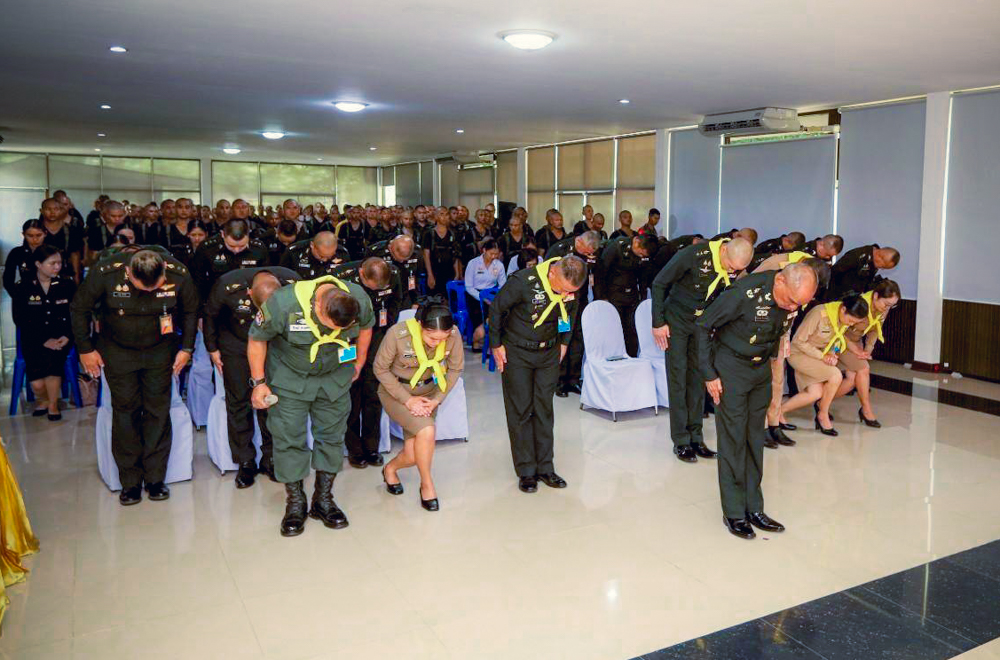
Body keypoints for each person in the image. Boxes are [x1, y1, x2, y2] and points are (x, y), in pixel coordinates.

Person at [696, 262, 818, 539]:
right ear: (780, 282)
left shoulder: (790, 299)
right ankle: (734, 512)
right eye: (791, 301)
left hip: (760, 369)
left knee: (754, 439)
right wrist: (709, 373)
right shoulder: (743, 293)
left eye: (799, 304)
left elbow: (777, 329)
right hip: (731, 369)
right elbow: (703, 325)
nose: (793, 308)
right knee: (733, 440)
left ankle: (754, 508)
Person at [248, 274, 374, 537]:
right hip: (289, 379)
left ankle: (323, 499)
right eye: (331, 326)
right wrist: (259, 383)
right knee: (288, 438)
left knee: (332, 437)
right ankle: (295, 502)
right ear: (318, 307)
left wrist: (360, 361)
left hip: (334, 378)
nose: (335, 332)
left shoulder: (358, 297)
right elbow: (257, 339)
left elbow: (366, 327)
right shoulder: (283, 303)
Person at [71, 250, 199, 505]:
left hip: (159, 350)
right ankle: (129, 482)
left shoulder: (179, 273)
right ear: (128, 273)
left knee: (157, 411)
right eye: (143, 287)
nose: (150, 292)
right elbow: (79, 308)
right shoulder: (105, 273)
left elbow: (191, 311)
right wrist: (86, 349)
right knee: (125, 412)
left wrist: (186, 348)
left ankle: (155, 479)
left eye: (156, 286)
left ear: (164, 271)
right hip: (118, 351)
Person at [489, 255, 587, 493]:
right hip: (517, 352)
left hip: (549, 353)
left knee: (544, 408)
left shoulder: (571, 287)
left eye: (571, 292)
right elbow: (497, 309)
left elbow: (569, 313)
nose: (566, 295)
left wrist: (564, 343)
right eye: (562, 289)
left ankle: (545, 467)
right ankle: (526, 470)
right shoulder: (523, 281)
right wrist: (496, 344)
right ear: (552, 273)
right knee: (521, 409)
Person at [651, 237, 754, 461]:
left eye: (736, 270)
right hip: (677, 321)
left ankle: (696, 437)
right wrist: (658, 322)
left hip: (702, 325)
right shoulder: (693, 255)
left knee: (698, 379)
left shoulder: (733, 266)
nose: (731, 271)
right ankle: (681, 440)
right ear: (724, 250)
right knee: (678, 379)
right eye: (730, 266)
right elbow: (659, 283)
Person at [204, 266, 299, 486]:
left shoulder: (293, 282)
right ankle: (245, 461)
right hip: (236, 343)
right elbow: (210, 315)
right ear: (249, 293)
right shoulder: (226, 285)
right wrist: (212, 348)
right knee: (238, 402)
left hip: (272, 345)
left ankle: (271, 457)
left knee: (271, 401)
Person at [376, 300, 464, 510]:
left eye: (442, 339)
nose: (437, 343)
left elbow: (455, 369)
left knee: (413, 455)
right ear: (420, 326)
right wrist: (407, 400)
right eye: (432, 338)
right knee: (427, 431)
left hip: (428, 396)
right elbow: (380, 369)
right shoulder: (398, 334)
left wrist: (437, 399)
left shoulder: (453, 334)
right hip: (397, 393)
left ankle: (390, 469)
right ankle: (427, 485)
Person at [743, 255, 832, 448]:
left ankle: (774, 423)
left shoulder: (810, 278)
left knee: (777, 381)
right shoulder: (777, 264)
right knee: (760, 383)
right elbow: (746, 288)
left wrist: (786, 337)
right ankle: (760, 426)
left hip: (781, 329)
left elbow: (793, 310)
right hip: (759, 328)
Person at [330, 258, 403, 469]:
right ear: (362, 273)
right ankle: (355, 449)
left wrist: (386, 327)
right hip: (348, 339)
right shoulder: (340, 277)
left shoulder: (393, 273)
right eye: (372, 287)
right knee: (351, 394)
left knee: (373, 394)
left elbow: (396, 301)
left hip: (377, 336)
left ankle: (372, 447)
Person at [783, 293, 870, 436]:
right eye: (851, 320)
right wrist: (822, 356)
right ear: (843, 309)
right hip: (799, 353)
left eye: (854, 323)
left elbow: (837, 341)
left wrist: (833, 354)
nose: (851, 324)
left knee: (815, 393)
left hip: (817, 356)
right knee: (836, 375)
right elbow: (798, 341)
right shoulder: (819, 313)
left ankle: (778, 412)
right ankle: (822, 415)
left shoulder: (842, 319)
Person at [12, 245, 75, 420]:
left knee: (53, 363)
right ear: (38, 264)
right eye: (52, 263)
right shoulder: (23, 286)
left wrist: (67, 336)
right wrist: (43, 340)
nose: (57, 267)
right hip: (33, 338)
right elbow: (20, 318)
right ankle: (44, 399)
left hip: (61, 337)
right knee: (37, 384)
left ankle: (53, 405)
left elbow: (76, 314)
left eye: (59, 263)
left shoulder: (67, 284)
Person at [833, 279, 900, 427]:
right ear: (875, 296)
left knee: (852, 380)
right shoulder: (861, 303)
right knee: (863, 369)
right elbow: (839, 329)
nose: (887, 308)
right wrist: (855, 350)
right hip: (839, 340)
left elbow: (875, 330)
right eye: (886, 304)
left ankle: (821, 403)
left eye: (892, 305)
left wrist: (867, 350)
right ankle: (866, 410)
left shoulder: (883, 310)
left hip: (856, 342)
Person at [545, 231, 601, 396]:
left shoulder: (591, 253)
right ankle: (560, 380)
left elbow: (595, 273)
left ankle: (574, 379)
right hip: (563, 304)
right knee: (563, 336)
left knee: (578, 338)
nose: (588, 255)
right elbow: (548, 274)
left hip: (580, 302)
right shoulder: (560, 249)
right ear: (579, 242)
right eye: (586, 251)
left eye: (591, 253)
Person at [595, 232, 659, 357]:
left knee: (632, 329)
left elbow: (643, 277)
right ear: (636, 242)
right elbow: (601, 273)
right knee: (614, 329)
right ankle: (614, 357)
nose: (641, 257)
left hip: (632, 295)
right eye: (640, 253)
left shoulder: (645, 255)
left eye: (644, 255)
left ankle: (632, 358)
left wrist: (642, 297)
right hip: (614, 294)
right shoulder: (617, 247)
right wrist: (602, 297)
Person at [190, 219, 269, 302]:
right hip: (216, 300)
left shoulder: (258, 249)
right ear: (222, 234)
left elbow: (265, 279)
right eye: (231, 246)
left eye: (242, 246)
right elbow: (198, 282)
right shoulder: (208, 249)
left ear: (248, 235)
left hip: (248, 300)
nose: (236, 250)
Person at [464, 238, 507, 349]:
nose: (493, 257)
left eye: (496, 254)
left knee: (499, 313)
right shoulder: (473, 263)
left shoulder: (499, 265)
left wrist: (495, 297)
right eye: (491, 253)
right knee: (479, 315)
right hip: (474, 295)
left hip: (491, 294)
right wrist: (482, 298)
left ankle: (487, 338)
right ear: (484, 250)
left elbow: (503, 285)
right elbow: (468, 286)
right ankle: (477, 339)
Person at [367, 235, 425, 309]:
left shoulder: (417, 251)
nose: (401, 261)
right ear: (390, 248)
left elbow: (415, 277)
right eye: (398, 259)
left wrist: (415, 301)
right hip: (384, 298)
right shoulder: (376, 252)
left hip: (405, 296)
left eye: (405, 260)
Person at [825, 244, 900, 302]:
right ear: (880, 257)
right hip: (834, 297)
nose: (882, 269)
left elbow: (864, 284)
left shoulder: (872, 263)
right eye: (883, 266)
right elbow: (835, 272)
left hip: (849, 299)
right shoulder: (857, 256)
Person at [39, 197, 84, 282]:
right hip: (41, 272)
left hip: (65, 272)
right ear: (41, 211)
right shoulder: (37, 230)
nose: (52, 212)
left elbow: (75, 254)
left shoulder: (71, 230)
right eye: (48, 209)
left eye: (56, 209)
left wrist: (76, 276)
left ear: (61, 210)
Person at [422, 207, 462, 296]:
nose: (445, 217)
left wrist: (457, 273)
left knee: (450, 298)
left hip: (449, 272)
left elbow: (455, 255)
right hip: (435, 271)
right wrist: (430, 275)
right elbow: (426, 255)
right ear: (436, 217)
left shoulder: (453, 233)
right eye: (441, 214)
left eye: (447, 214)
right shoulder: (429, 234)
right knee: (434, 299)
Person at [279, 230, 351, 279]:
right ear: (312, 245)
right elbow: (283, 276)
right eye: (321, 256)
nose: (325, 260)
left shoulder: (342, 253)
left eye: (329, 257)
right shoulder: (294, 252)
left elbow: (347, 278)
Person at [3, 220, 46, 298]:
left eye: (38, 235)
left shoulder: (53, 252)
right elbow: (7, 279)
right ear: (24, 234)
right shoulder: (16, 252)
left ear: (45, 234)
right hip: (24, 294)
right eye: (30, 236)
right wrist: (16, 296)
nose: (35, 239)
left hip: (50, 295)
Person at [85, 200, 128, 264]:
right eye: (113, 216)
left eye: (120, 216)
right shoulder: (96, 230)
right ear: (105, 215)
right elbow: (93, 254)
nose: (117, 219)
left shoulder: (130, 228)